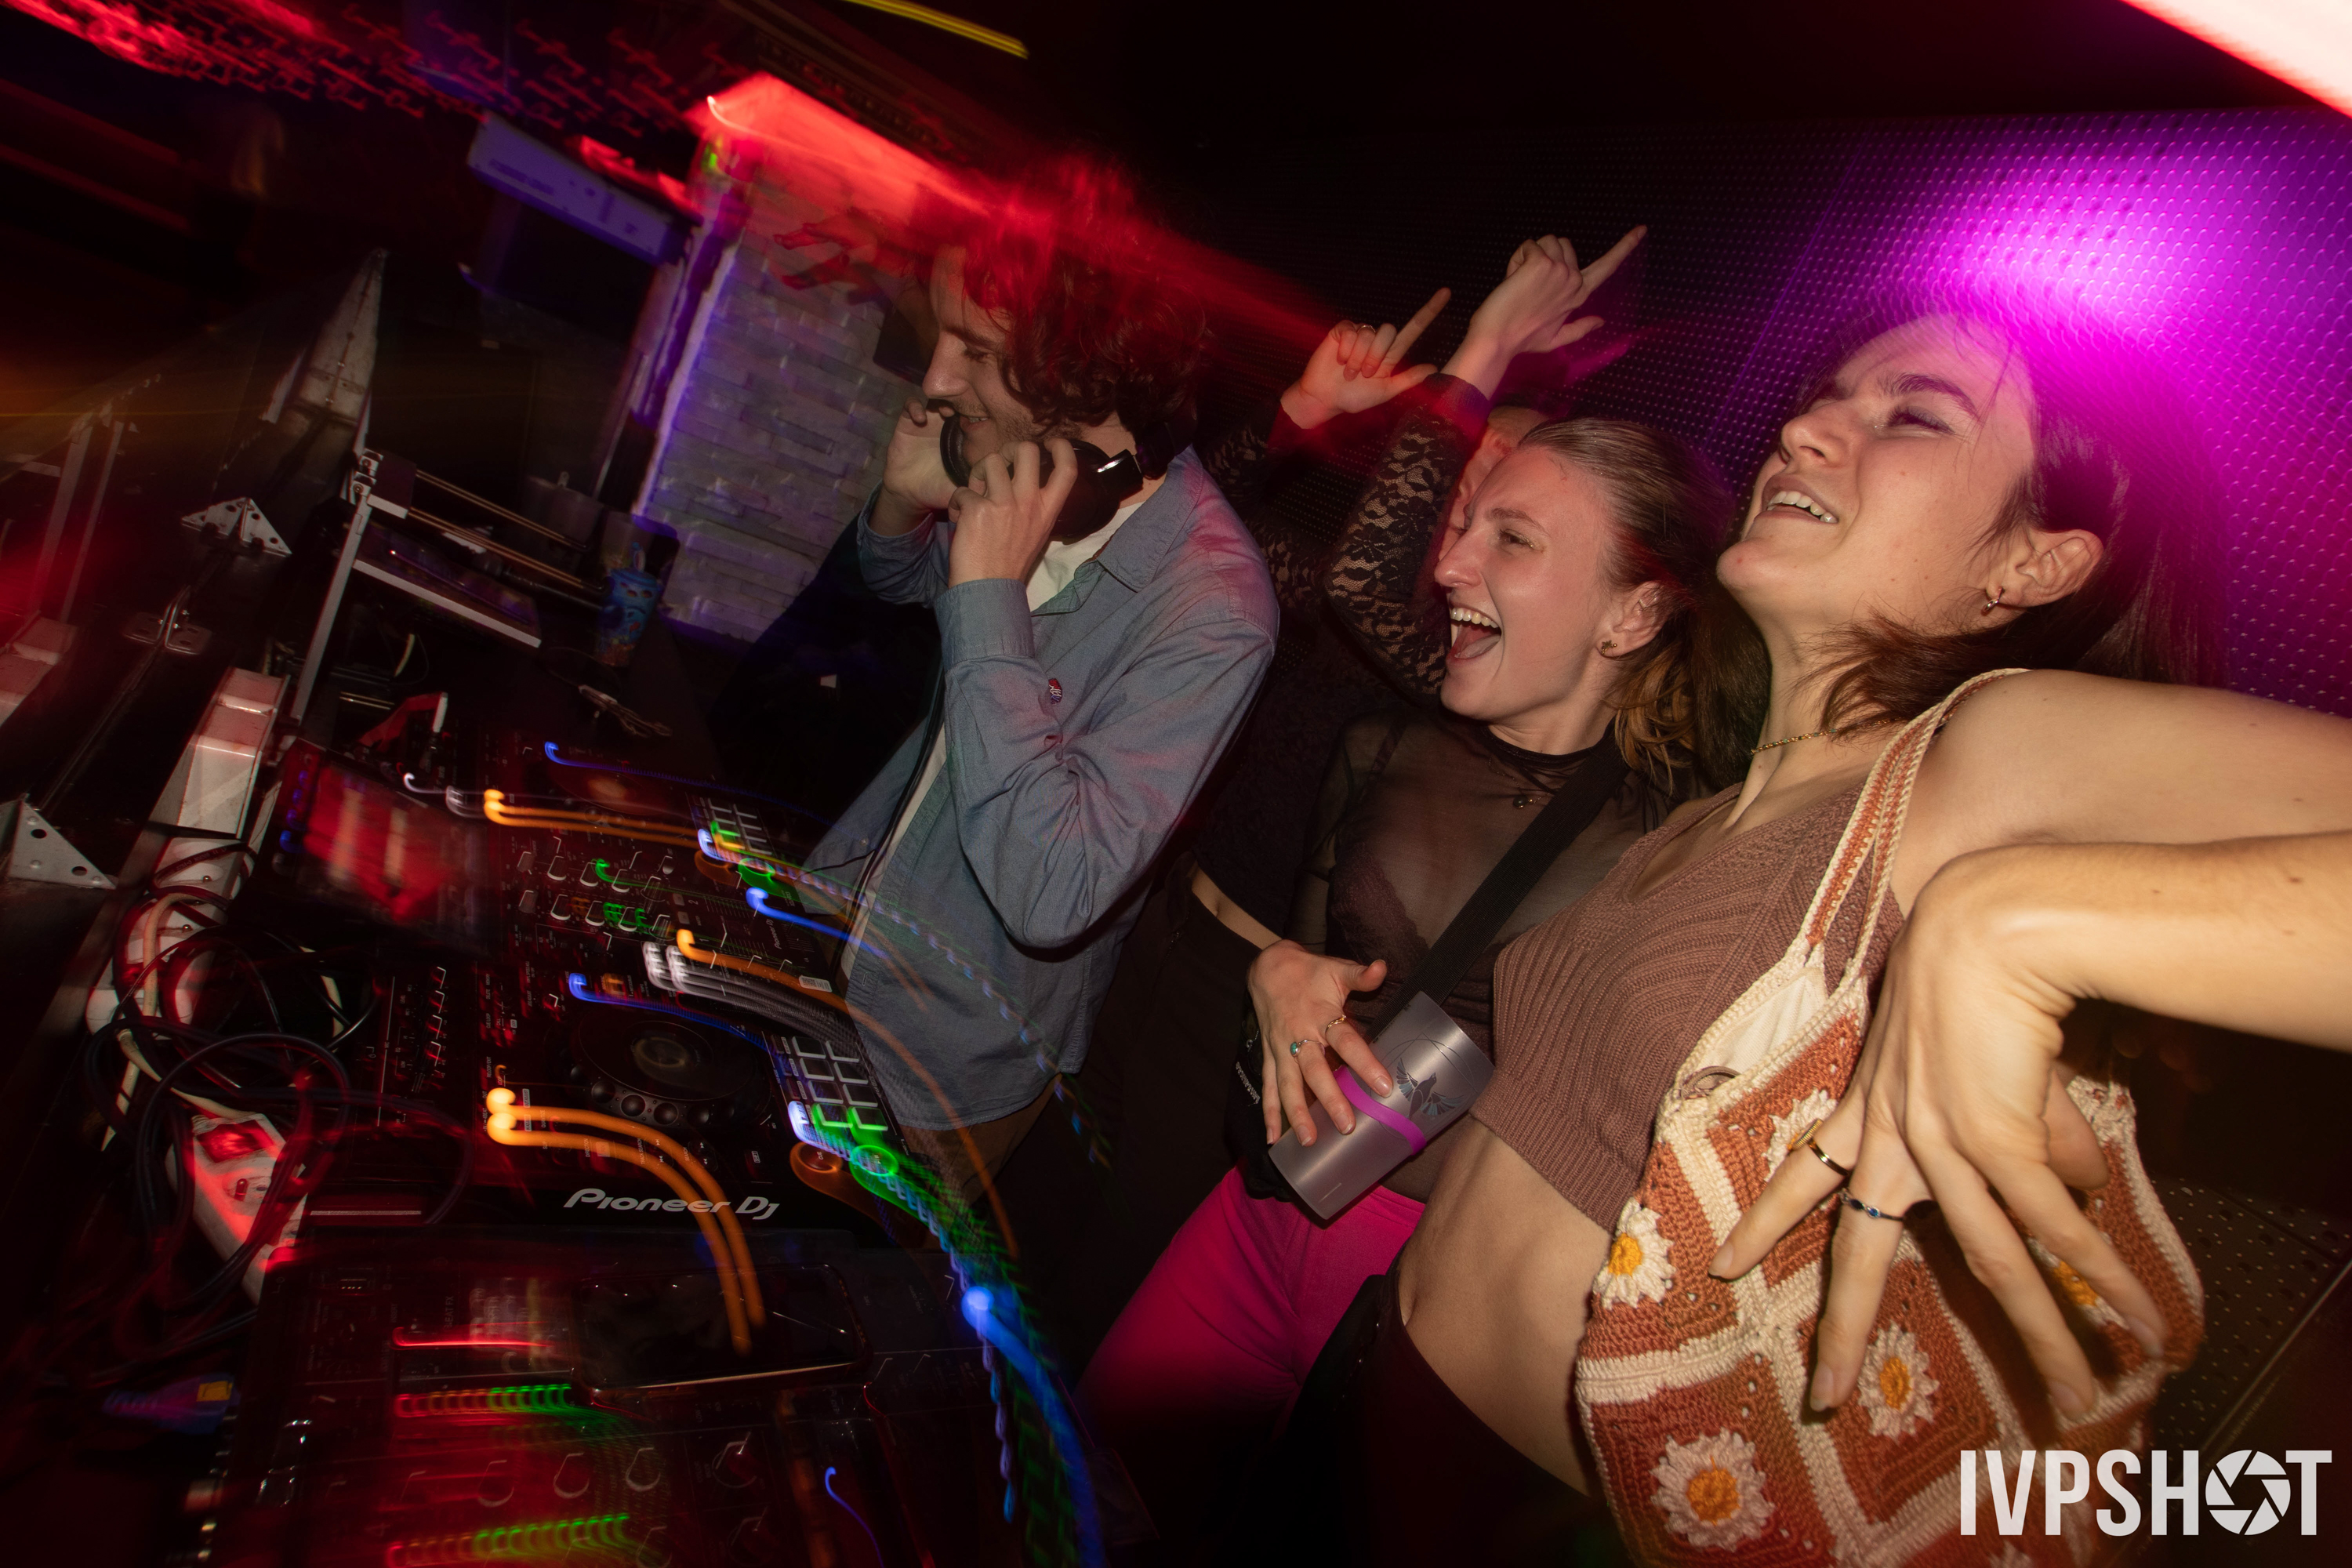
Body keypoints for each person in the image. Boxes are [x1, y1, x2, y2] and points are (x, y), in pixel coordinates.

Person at [1250, 287, 2352, 1563]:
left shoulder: (1988, 754)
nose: (1809, 429)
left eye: (1914, 416)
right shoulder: (1723, 799)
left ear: (2031, 565)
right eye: (1828, 397)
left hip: (1541, 1519)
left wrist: (1999, 926)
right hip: (1364, 1400)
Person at [1077, 235, 1733, 1541]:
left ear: (1630, 616)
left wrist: (1494, 349)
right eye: (1465, 520)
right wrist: (1280, 979)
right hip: (1263, 1210)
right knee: (1088, 1498)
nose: (1447, 563)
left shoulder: (1677, 857)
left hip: (1425, 1300)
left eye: (1511, 536)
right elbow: (1307, 1022)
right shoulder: (1381, 748)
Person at [1005, 234, 1639, 1366]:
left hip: (1251, 1004)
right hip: (1159, 933)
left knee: (1111, 1282)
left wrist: (1487, 351)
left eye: (1507, 498)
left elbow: (1364, 578)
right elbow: (1193, 525)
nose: (1470, 485)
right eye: (1472, 461)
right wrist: (1298, 413)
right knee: (1037, 1208)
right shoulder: (1366, 589)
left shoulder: (1465, 665)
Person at [786, 158, 1279, 1200]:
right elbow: (905, 586)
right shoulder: (1020, 461)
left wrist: (988, 596)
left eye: (977, 350)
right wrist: (903, 508)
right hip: (838, 927)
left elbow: (1052, 892)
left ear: (1087, 368)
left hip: (938, 1059)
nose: (937, 381)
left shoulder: (1213, 606)